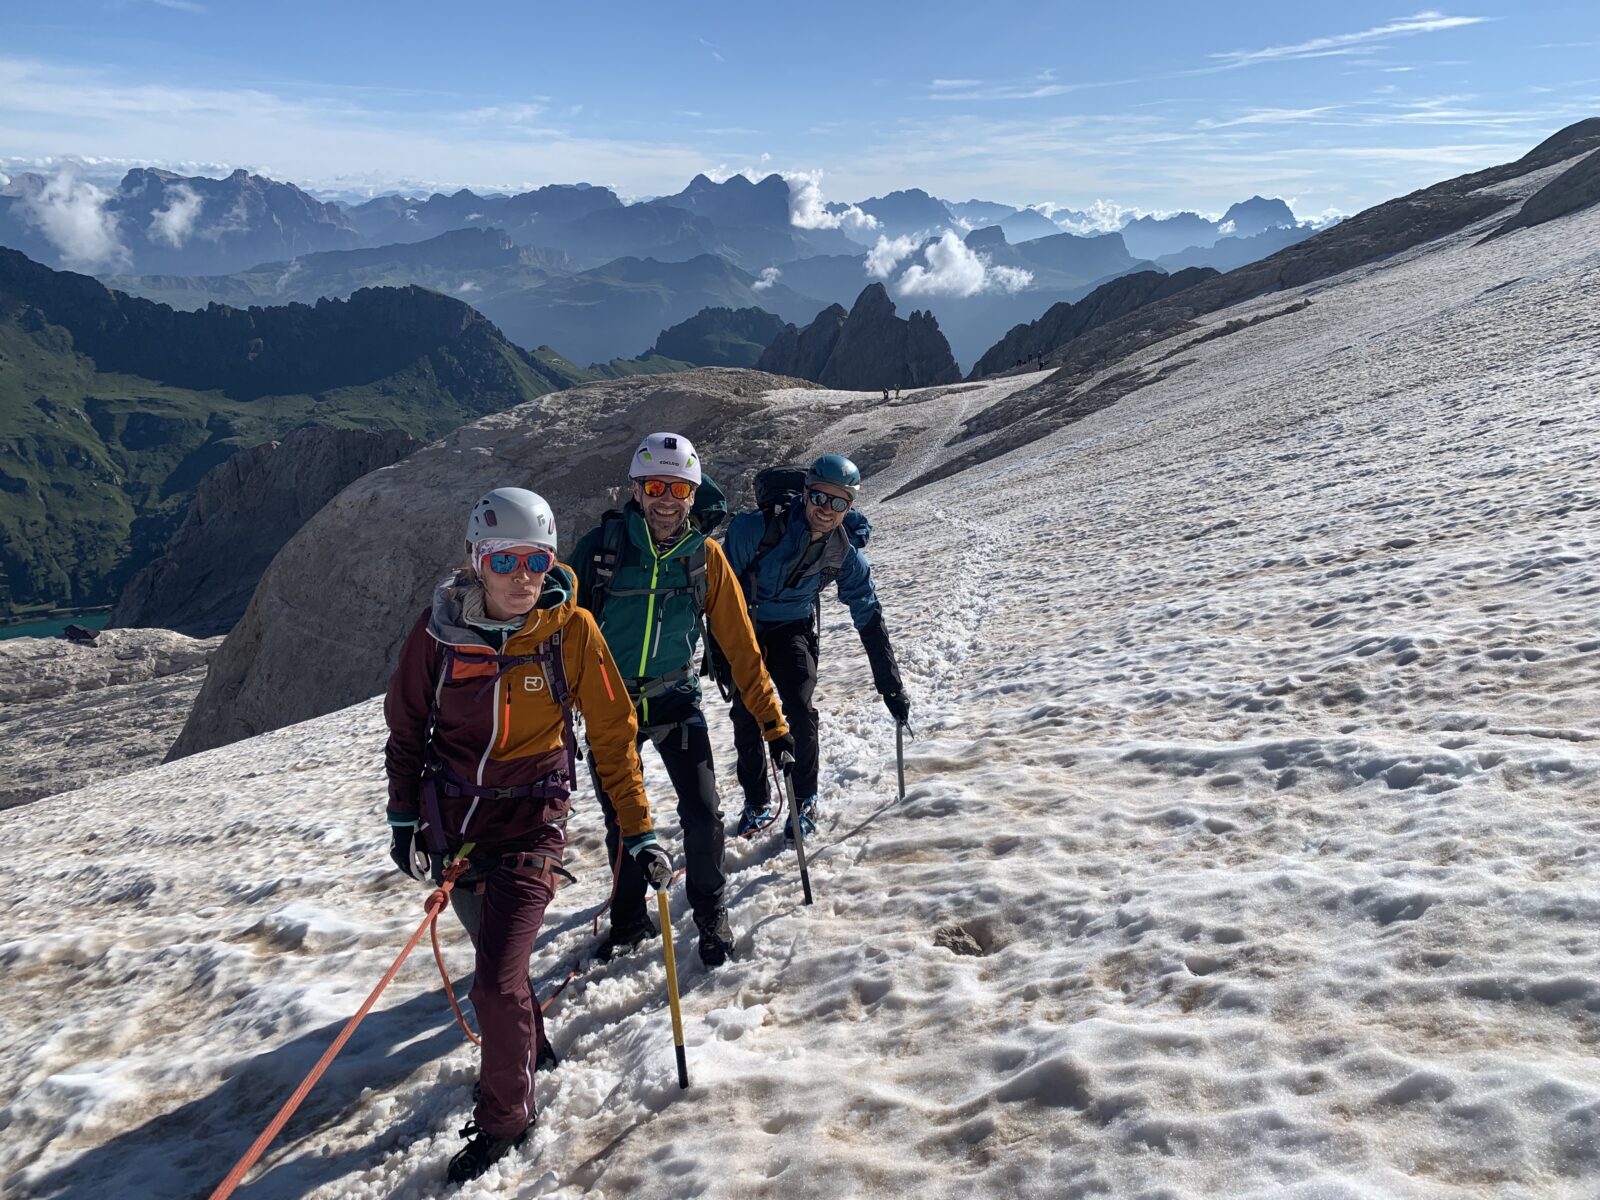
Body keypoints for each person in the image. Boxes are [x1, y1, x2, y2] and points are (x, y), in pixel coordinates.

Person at [383, 487, 671, 1184]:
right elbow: (406, 730)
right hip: (455, 828)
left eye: (537, 561)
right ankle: (533, 1050)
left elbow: (612, 736)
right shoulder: (436, 633)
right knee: (497, 962)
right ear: (475, 560)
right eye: (505, 560)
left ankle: (508, 1120)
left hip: (533, 824)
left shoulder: (571, 632)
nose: (523, 577)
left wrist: (639, 831)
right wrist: (404, 820)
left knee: (494, 982)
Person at [571, 433, 793, 968]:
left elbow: (742, 649)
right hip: (609, 705)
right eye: (655, 487)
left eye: (678, 488)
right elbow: (562, 631)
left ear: (694, 494)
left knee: (703, 812)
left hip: (676, 699)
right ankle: (628, 919)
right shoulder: (603, 550)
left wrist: (774, 725)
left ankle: (710, 912)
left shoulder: (705, 560)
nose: (666, 499)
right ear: (636, 490)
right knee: (622, 820)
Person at [723, 454, 910, 840]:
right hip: (743, 627)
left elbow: (868, 615)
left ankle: (804, 798)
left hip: (792, 628)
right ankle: (757, 801)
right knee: (746, 711)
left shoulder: (846, 555)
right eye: (821, 498)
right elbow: (718, 594)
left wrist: (890, 686)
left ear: (850, 507)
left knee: (800, 708)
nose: (827, 510)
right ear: (805, 494)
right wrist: (719, 649)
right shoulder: (752, 530)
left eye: (839, 503)